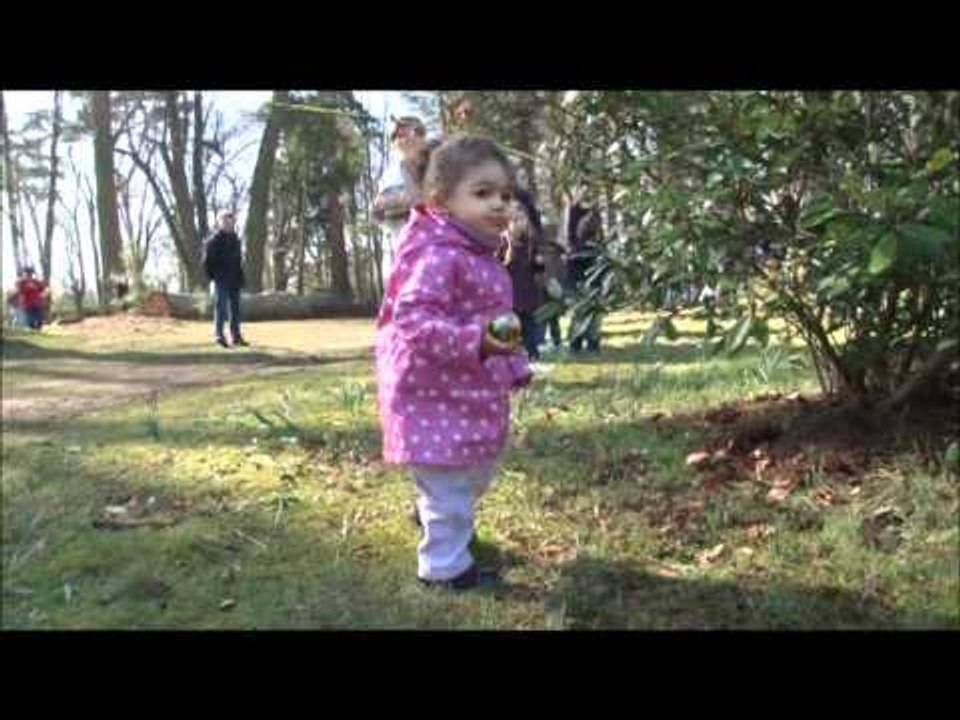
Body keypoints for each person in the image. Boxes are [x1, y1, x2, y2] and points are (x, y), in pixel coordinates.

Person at [376, 134, 532, 591]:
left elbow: (500, 325)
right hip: (430, 393)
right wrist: (476, 340)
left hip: (469, 391)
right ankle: (444, 568)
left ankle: (436, 512)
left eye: (505, 194)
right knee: (450, 481)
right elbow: (413, 321)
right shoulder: (438, 255)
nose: (499, 205)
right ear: (442, 201)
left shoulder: (482, 256)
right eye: (482, 193)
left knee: (473, 473)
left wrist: (514, 362)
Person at [373, 116, 429, 287]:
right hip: (406, 246)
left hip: (443, 246)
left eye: (409, 131)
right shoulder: (389, 173)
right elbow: (378, 208)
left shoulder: (438, 161)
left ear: (421, 134)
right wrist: (404, 199)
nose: (403, 137)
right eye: (397, 134)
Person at [501, 189, 547, 361]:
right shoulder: (504, 242)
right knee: (509, 325)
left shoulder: (531, 242)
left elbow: (538, 268)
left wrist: (539, 263)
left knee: (528, 325)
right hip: (509, 293)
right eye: (515, 220)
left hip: (527, 291)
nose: (519, 222)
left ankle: (532, 353)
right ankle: (508, 356)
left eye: (522, 218)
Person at [564, 192, 604, 353]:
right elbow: (573, 226)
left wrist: (575, 206)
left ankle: (578, 344)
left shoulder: (576, 247)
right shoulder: (595, 248)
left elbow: (572, 228)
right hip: (586, 285)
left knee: (582, 316)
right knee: (590, 316)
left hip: (581, 285)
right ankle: (588, 344)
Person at [203, 210, 248, 348]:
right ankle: (219, 336)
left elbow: (239, 260)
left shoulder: (236, 239)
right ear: (220, 222)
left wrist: (241, 277)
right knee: (220, 308)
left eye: (231, 221)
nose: (229, 224)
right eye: (226, 221)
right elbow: (206, 262)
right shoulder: (213, 240)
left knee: (235, 309)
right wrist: (213, 277)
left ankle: (236, 336)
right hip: (220, 279)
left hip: (235, 278)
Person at [540, 222, 566, 352]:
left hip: (545, 288)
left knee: (544, 317)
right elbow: (562, 272)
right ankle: (556, 341)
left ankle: (543, 341)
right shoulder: (558, 255)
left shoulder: (540, 253)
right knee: (552, 318)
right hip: (552, 288)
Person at [15, 266, 48, 331]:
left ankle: (38, 330)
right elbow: (18, 288)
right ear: (25, 273)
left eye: (30, 273)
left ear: (32, 274)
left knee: (39, 320)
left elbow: (43, 288)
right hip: (27, 304)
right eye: (27, 273)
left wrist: (43, 295)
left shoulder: (36, 281)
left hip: (37, 303)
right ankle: (32, 329)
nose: (29, 274)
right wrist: (25, 287)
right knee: (30, 321)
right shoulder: (22, 282)